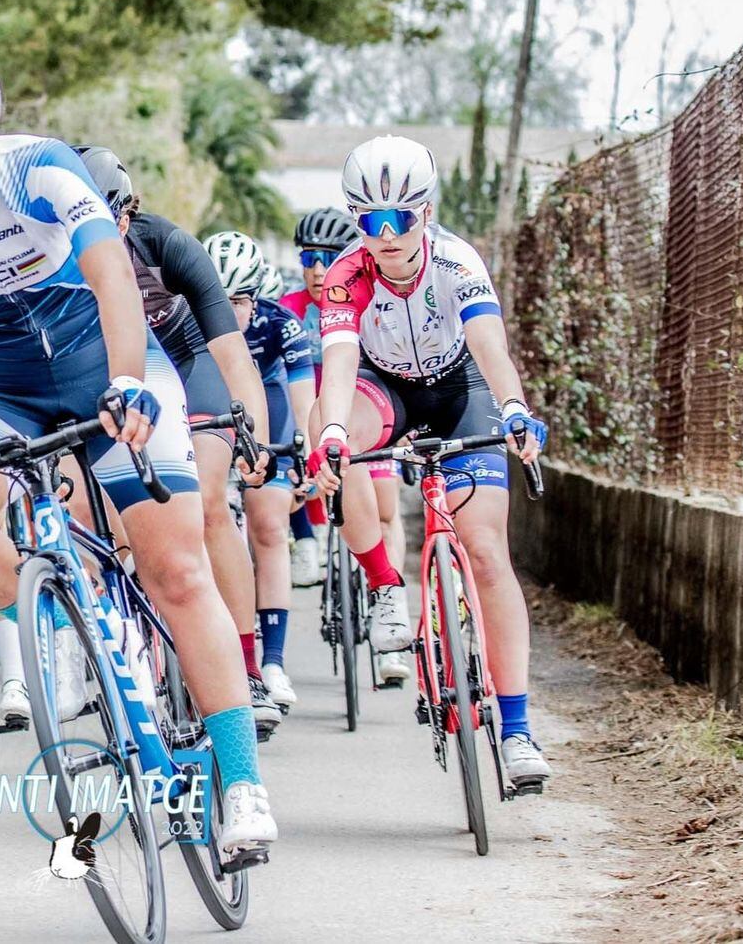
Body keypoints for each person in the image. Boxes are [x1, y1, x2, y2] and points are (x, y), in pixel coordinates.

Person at [0, 35, 276, 856]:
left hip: (105, 362)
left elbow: (114, 276)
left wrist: (125, 380)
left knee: (177, 568)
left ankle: (244, 783)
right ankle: (63, 625)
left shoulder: (41, 170)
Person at [309, 134, 552, 788]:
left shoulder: (456, 262)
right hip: (384, 388)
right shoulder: (346, 276)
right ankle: (386, 585)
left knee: (486, 549)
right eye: (369, 221)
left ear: (427, 211)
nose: (385, 235)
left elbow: (490, 347)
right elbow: (338, 363)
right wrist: (332, 431)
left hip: (458, 387)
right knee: (333, 431)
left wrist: (515, 409)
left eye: (400, 219)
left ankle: (519, 728)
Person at [72, 147, 283, 736]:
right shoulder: (55, 256)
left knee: (210, 504)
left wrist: (255, 440)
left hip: (189, 365)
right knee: (109, 519)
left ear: (129, 212)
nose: (97, 231)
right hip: (108, 378)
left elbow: (231, 353)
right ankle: (133, 647)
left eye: (110, 217)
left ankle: (248, 669)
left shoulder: (166, 246)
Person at [283, 206, 413, 683]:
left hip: (367, 416)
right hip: (314, 422)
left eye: (329, 256)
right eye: (308, 257)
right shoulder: (289, 310)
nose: (318, 269)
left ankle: (389, 627)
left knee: (384, 510)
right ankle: (312, 540)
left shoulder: (369, 297)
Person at [212, 241, 314, 711]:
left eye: (238, 302)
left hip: (268, 408)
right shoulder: (188, 319)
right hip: (212, 411)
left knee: (269, 525)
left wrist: (309, 456)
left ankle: (272, 661)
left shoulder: (280, 325)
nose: (228, 311)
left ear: (255, 298)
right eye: (219, 299)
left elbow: (301, 398)